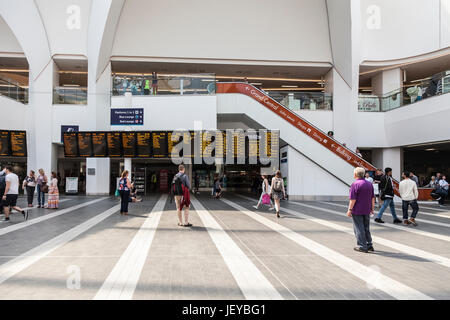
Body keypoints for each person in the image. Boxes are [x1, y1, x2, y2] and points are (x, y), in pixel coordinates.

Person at [347, 167, 374, 253]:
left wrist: (349, 209)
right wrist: (372, 208)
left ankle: (362, 246)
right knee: (366, 227)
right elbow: (372, 198)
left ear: (355, 174)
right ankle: (369, 244)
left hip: (357, 210)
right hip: (367, 209)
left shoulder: (355, 184)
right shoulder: (369, 184)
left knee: (359, 228)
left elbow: (353, 199)